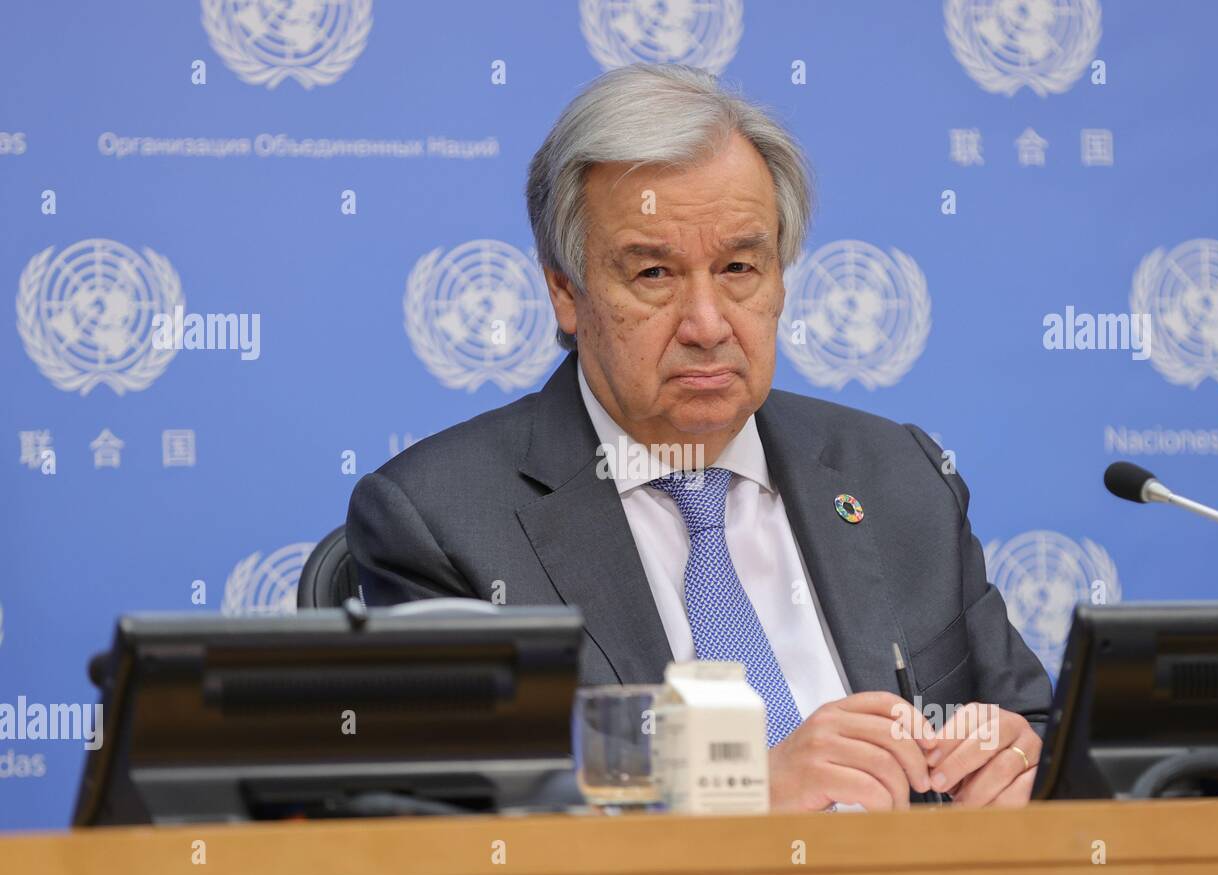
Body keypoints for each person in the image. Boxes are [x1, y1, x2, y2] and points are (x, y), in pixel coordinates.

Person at [347, 64, 1052, 812]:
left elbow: (1037, 725)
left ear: (780, 278)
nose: (708, 324)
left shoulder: (897, 476)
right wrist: (739, 791)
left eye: (740, 267)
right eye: (654, 272)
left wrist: (1014, 761)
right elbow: (460, 802)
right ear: (565, 291)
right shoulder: (444, 519)